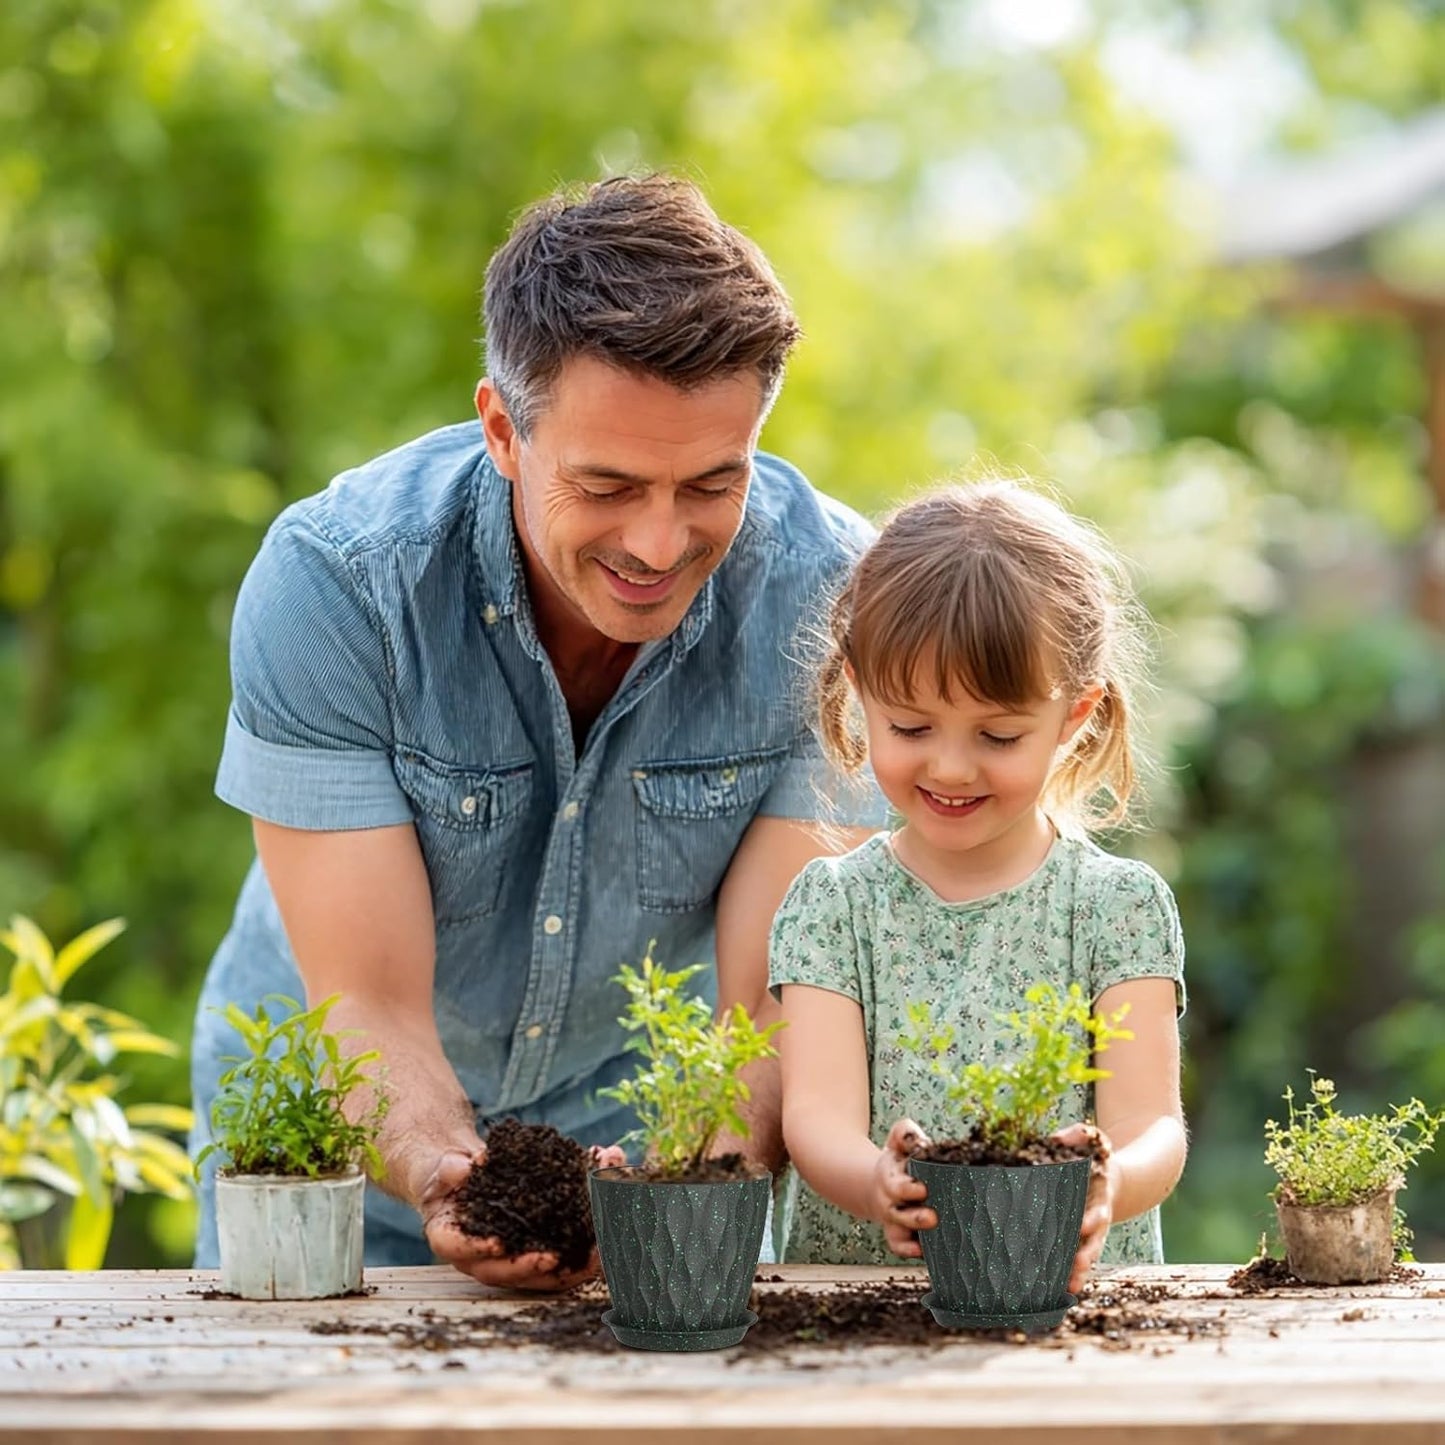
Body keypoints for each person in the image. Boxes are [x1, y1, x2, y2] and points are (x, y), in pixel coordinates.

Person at [189, 174, 886, 1289]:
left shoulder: (831, 601)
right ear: (504, 430)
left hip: (642, 1130)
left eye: (712, 481)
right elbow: (362, 1000)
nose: (658, 542)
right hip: (328, 1148)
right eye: (606, 484)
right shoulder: (337, 583)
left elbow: (766, 1004)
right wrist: (445, 1172)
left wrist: (680, 1183)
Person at [768, 480, 1187, 1290]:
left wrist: (1110, 1182)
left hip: (1065, 1314)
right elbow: (814, 1118)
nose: (951, 766)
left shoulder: (1117, 907)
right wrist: (876, 1183)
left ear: (1074, 716)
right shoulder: (832, 907)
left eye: (997, 734)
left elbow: (1152, 1127)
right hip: (866, 1315)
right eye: (911, 727)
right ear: (857, 690)